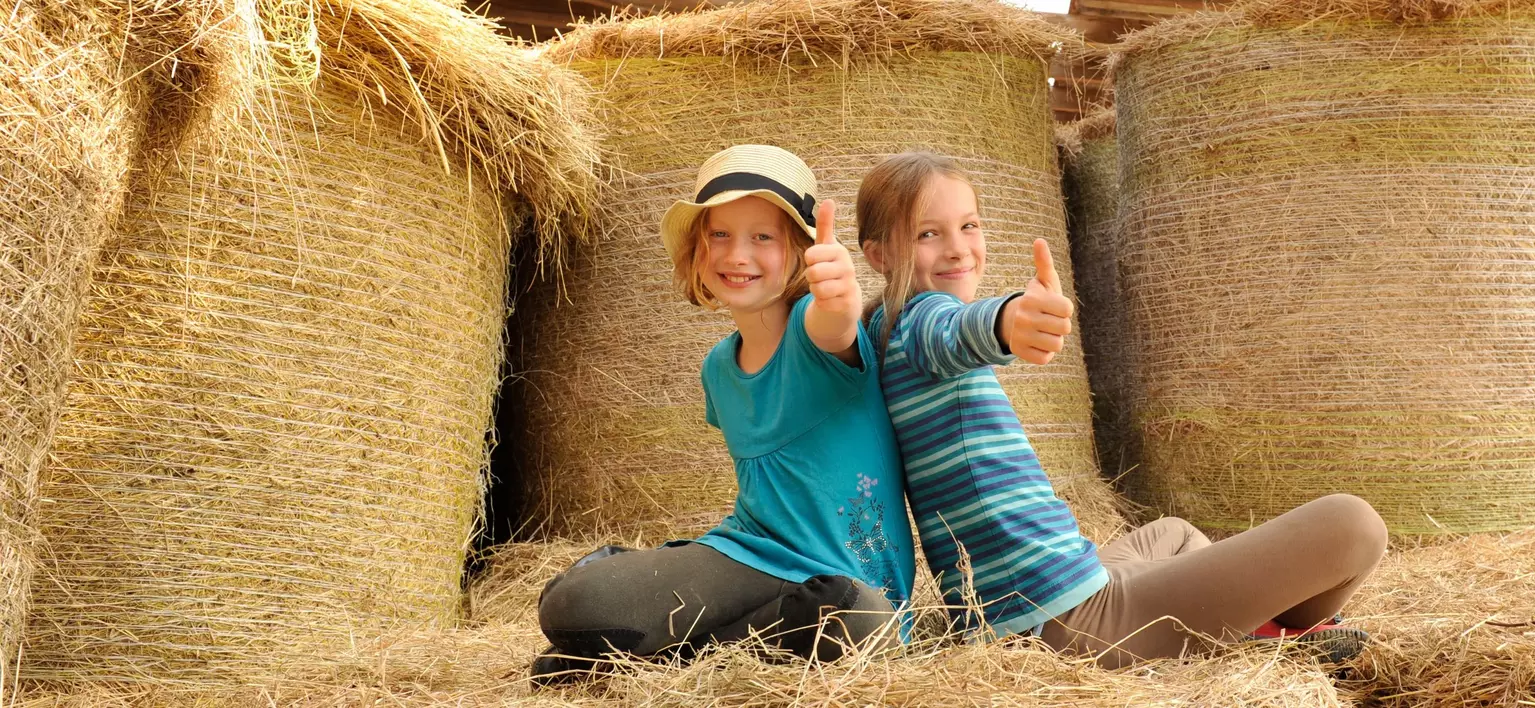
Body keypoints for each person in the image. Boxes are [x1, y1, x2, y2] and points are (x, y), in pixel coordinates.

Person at [854, 151, 1389, 668]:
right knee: (1355, 525)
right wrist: (1010, 317)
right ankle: (1267, 638)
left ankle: (1244, 631)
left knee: (1173, 534)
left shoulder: (883, 331)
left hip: (1044, 599)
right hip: (1064, 621)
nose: (957, 249)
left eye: (969, 226)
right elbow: (956, 331)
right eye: (929, 234)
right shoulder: (919, 323)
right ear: (878, 255)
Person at [530, 145, 914, 684]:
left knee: (859, 623)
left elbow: (837, 324)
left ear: (801, 251)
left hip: (849, 587)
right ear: (697, 248)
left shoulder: (813, 326)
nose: (738, 255)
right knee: (573, 605)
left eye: (763, 237)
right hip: (749, 559)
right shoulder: (718, 368)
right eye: (720, 235)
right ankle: (632, 609)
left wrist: (840, 296)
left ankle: (639, 657)